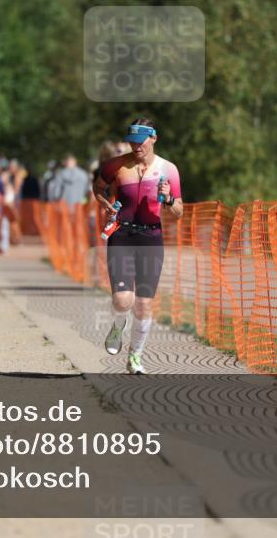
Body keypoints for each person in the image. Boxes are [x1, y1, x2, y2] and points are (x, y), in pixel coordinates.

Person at [93, 118, 183, 375]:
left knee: (144, 304)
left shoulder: (169, 170)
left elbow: (178, 212)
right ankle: (118, 325)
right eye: (131, 141)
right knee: (123, 300)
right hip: (121, 235)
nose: (135, 146)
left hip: (151, 239)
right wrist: (105, 204)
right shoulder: (116, 166)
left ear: (153, 137)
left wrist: (168, 198)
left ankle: (135, 357)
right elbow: (98, 187)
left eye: (140, 140)